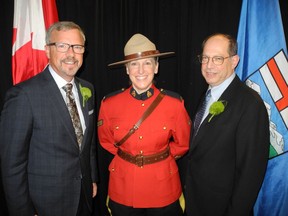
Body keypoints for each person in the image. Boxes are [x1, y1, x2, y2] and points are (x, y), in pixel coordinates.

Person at [0, 21, 98, 216]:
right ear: (47, 50)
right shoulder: (23, 95)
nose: (71, 54)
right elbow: (12, 165)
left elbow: (89, 142)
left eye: (77, 47)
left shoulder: (88, 88)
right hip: (45, 204)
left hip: (84, 196)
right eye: (62, 46)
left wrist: (92, 177)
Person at [97, 33, 191, 216]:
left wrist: (158, 158)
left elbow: (183, 144)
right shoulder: (109, 104)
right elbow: (106, 141)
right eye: (134, 64)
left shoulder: (174, 104)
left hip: (163, 186)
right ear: (126, 69)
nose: (141, 70)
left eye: (147, 62)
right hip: (123, 186)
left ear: (156, 67)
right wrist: (129, 157)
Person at [183, 33, 270, 216]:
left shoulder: (250, 105)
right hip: (196, 203)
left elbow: (250, 174)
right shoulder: (208, 93)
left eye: (218, 59)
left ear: (234, 61)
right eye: (205, 58)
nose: (208, 66)